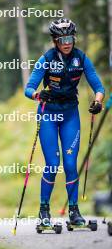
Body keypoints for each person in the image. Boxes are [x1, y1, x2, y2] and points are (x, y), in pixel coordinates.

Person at [24, 18, 105, 227]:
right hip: (49, 115)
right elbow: (29, 88)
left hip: (70, 115)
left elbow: (98, 86)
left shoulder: (81, 58)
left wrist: (97, 102)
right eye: (61, 39)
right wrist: (38, 95)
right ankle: (44, 211)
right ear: (54, 40)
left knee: (70, 164)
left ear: (74, 38)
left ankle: (74, 212)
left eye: (69, 38)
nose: (66, 42)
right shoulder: (46, 59)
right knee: (52, 164)